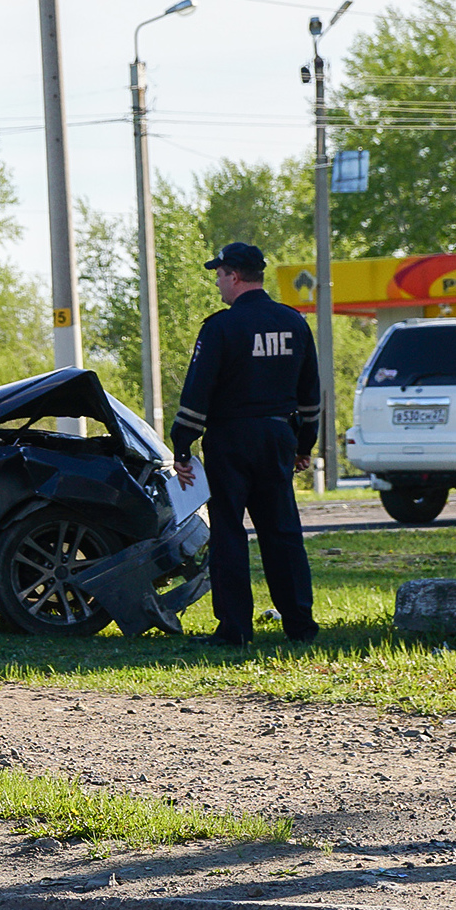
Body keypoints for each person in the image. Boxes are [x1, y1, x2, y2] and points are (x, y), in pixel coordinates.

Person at [171, 243, 322, 647]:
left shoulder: (221, 327)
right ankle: (300, 625)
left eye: (219, 274)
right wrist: (304, 443)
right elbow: (311, 394)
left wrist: (182, 447)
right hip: (278, 436)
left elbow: (198, 392)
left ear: (233, 276)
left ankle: (235, 628)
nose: (218, 282)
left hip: (230, 439)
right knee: (283, 531)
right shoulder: (293, 323)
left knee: (228, 532)